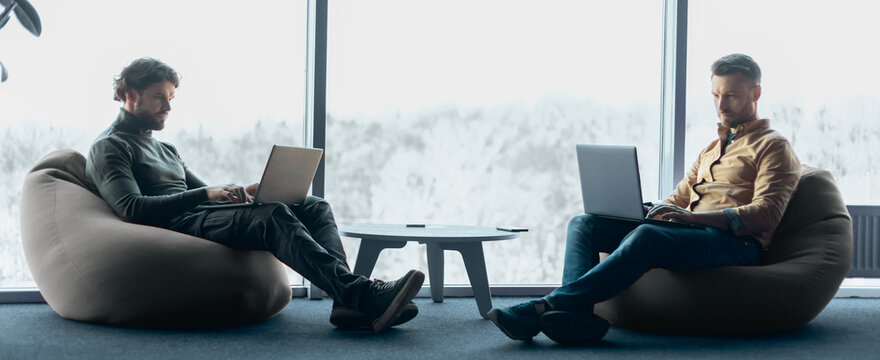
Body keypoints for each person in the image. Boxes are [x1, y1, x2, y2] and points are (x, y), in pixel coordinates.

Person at [85, 57, 424, 332]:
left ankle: (346, 304)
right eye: (159, 97)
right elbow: (132, 208)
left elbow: (201, 191)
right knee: (272, 216)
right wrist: (208, 194)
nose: (168, 108)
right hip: (176, 225)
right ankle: (361, 296)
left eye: (171, 99)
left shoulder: (166, 148)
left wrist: (240, 194)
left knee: (314, 205)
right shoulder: (110, 146)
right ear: (131, 93)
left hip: (199, 216)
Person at [487, 53, 801, 345]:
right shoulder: (711, 149)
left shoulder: (773, 146)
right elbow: (679, 197)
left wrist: (694, 218)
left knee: (648, 236)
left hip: (737, 243)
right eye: (716, 95)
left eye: (731, 95)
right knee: (584, 224)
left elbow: (767, 212)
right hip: (692, 232)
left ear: (756, 93)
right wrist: (650, 208)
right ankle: (576, 317)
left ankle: (544, 307)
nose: (721, 105)